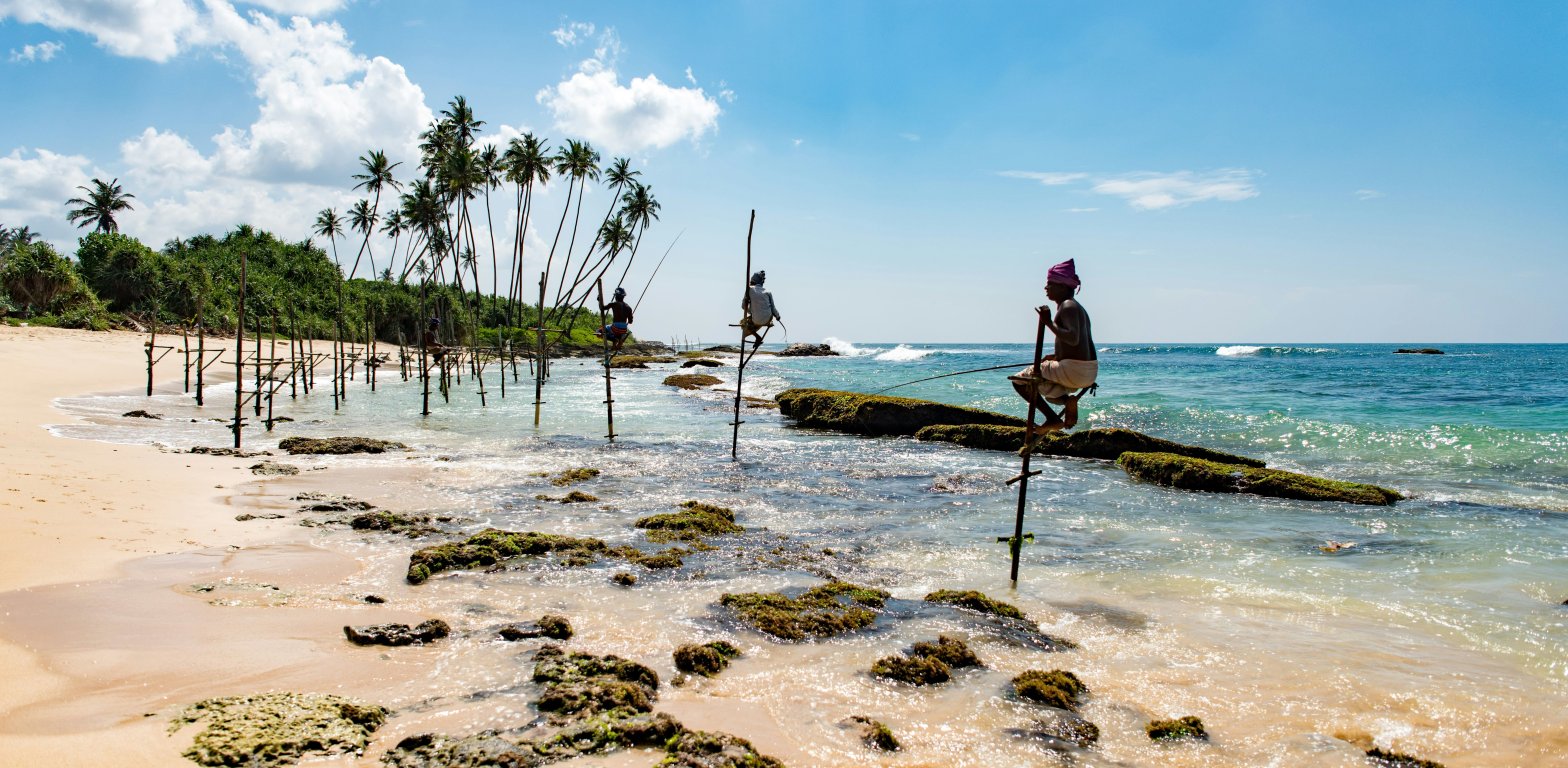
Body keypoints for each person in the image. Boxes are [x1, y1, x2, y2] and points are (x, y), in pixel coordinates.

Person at [1010, 259, 1097, 434]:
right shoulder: (1078, 308)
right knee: (1049, 393)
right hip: (1087, 372)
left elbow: (1072, 338)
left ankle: (1052, 419)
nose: (1046, 287)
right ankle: (1068, 401)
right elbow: (1081, 345)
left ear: (1062, 286)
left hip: (1073, 370)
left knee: (1019, 381)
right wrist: (1056, 356)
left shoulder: (1068, 305)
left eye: (1050, 283)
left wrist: (1048, 322)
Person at [739, 270, 781, 345]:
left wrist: (751, 311)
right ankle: (757, 335)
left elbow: (743, 306)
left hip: (755, 320)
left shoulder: (749, 289)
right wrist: (778, 316)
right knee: (760, 319)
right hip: (768, 319)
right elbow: (773, 308)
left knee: (743, 322)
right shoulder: (768, 291)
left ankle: (757, 336)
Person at [595, 287, 634, 352]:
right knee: (615, 331)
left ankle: (614, 340)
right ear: (623, 297)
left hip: (615, 328)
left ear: (616, 296)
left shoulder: (614, 304)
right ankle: (615, 344)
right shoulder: (628, 307)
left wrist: (599, 300)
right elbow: (630, 322)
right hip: (624, 329)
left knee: (598, 331)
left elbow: (602, 308)